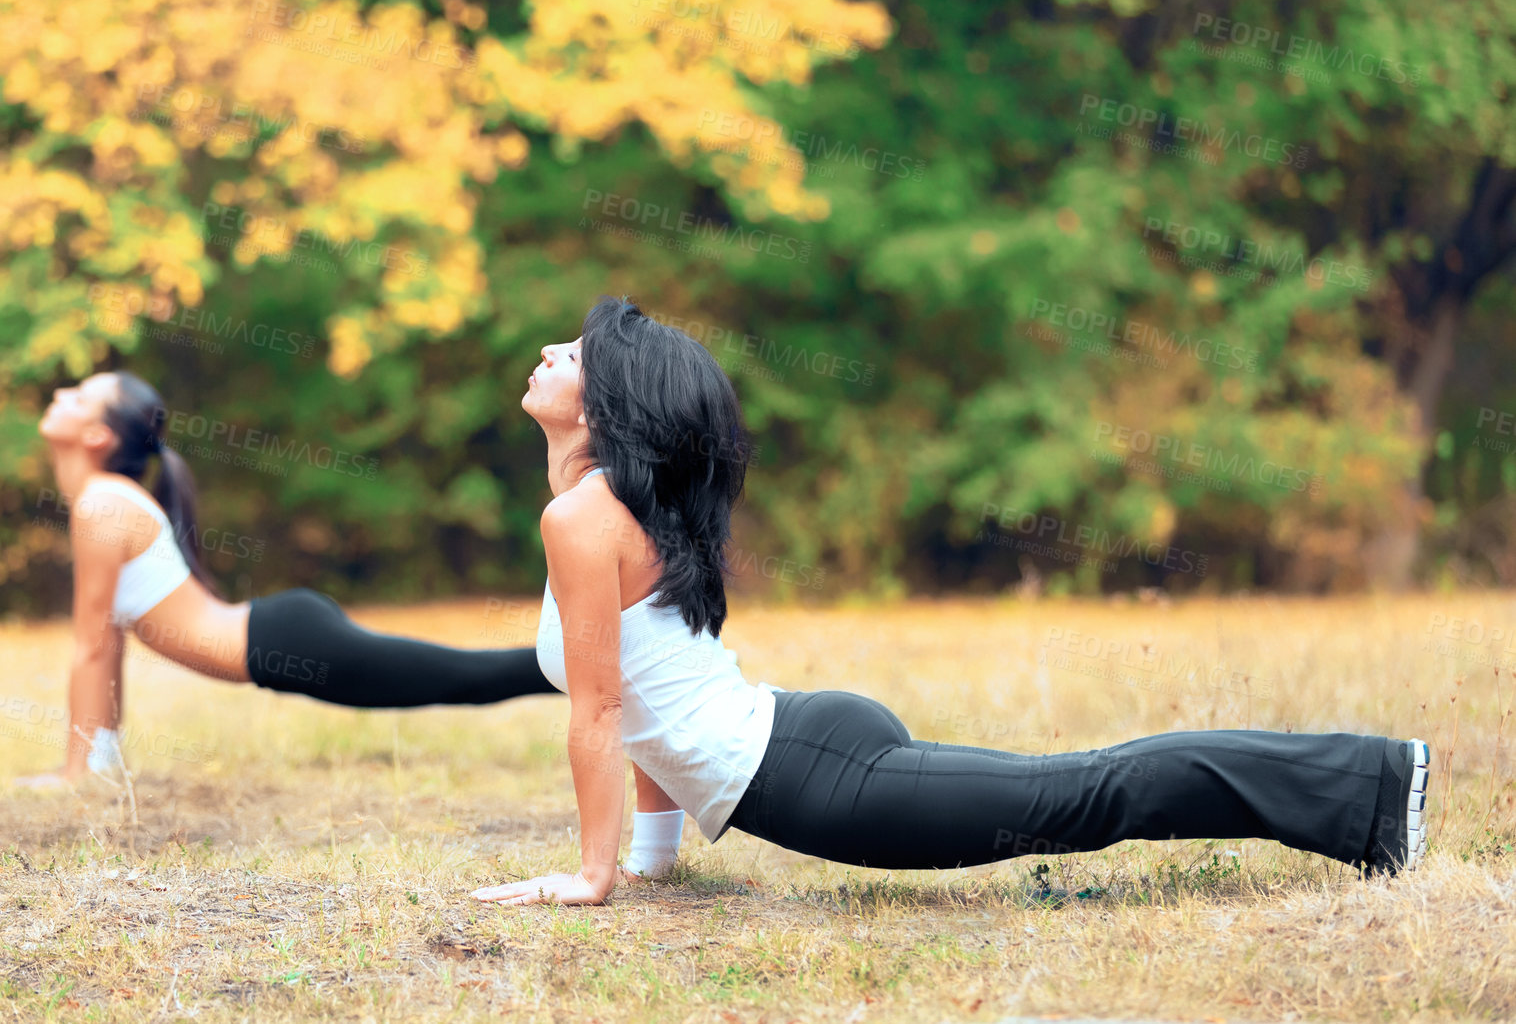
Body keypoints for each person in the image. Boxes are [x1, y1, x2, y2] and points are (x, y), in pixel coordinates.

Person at [471, 297, 1429, 905]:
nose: (552, 348)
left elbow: (601, 711)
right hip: (805, 742)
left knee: (1083, 792)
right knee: (1078, 790)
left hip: (820, 779)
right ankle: (1363, 791)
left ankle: (1372, 791)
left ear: (606, 411)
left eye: (576, 351)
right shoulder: (594, 514)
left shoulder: (587, 522)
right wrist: (649, 858)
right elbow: (645, 703)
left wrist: (595, 878)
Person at [20, 370, 558, 789]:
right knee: (460, 677)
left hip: (284, 640)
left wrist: (77, 774)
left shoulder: (101, 505)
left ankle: (592, 669)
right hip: (278, 634)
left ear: (96, 434)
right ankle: (583, 669)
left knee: (463, 678)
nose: (62, 392)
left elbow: (90, 647)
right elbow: (105, 641)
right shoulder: (106, 502)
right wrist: (98, 763)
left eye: (79, 396)